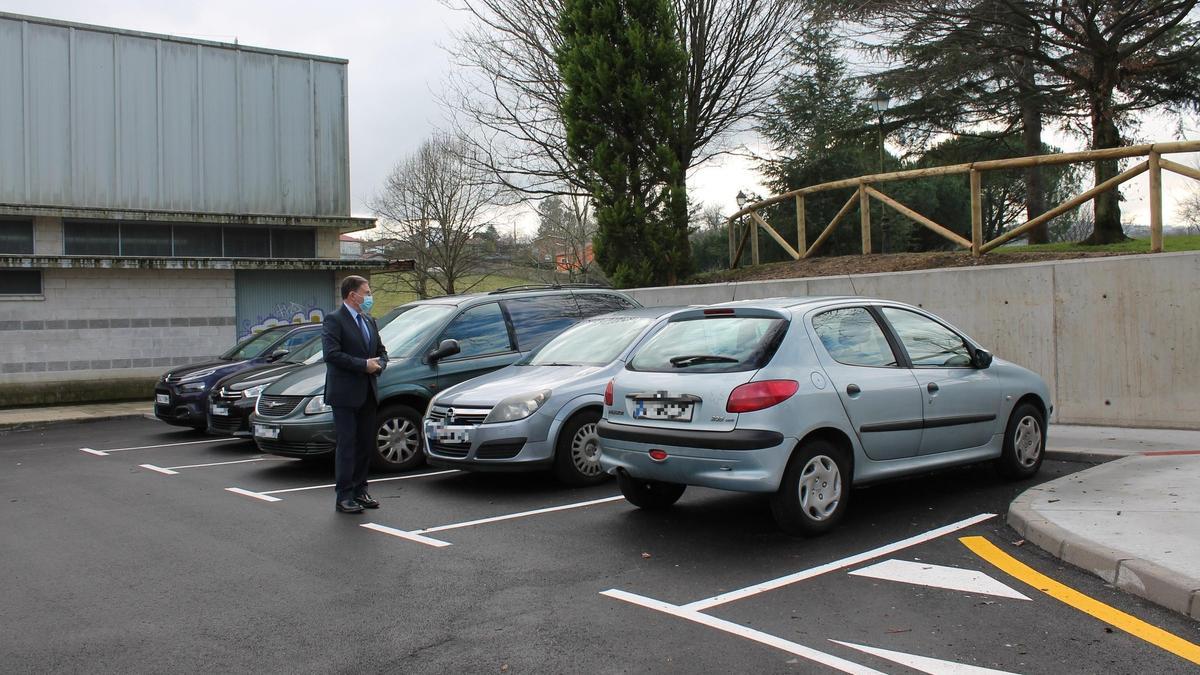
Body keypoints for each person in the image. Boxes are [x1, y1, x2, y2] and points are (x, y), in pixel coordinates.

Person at [323, 275, 388, 514]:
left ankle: (361, 491)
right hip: (345, 395)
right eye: (367, 292)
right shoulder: (334, 320)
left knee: (364, 445)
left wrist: (381, 363)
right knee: (347, 445)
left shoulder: (369, 321)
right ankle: (344, 496)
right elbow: (331, 354)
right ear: (353, 295)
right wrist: (363, 365)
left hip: (368, 393)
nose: (369, 297)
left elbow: (381, 351)